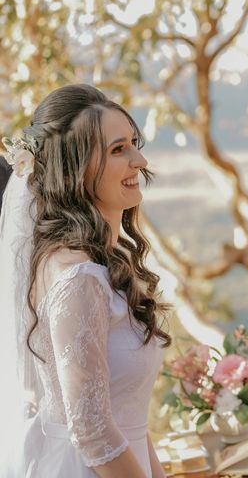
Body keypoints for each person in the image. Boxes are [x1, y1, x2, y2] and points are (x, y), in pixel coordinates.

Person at [0, 84, 171, 477]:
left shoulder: (101, 263)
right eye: (118, 150)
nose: (140, 160)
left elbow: (128, 420)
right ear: (76, 169)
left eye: (133, 143)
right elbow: (93, 430)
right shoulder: (78, 275)